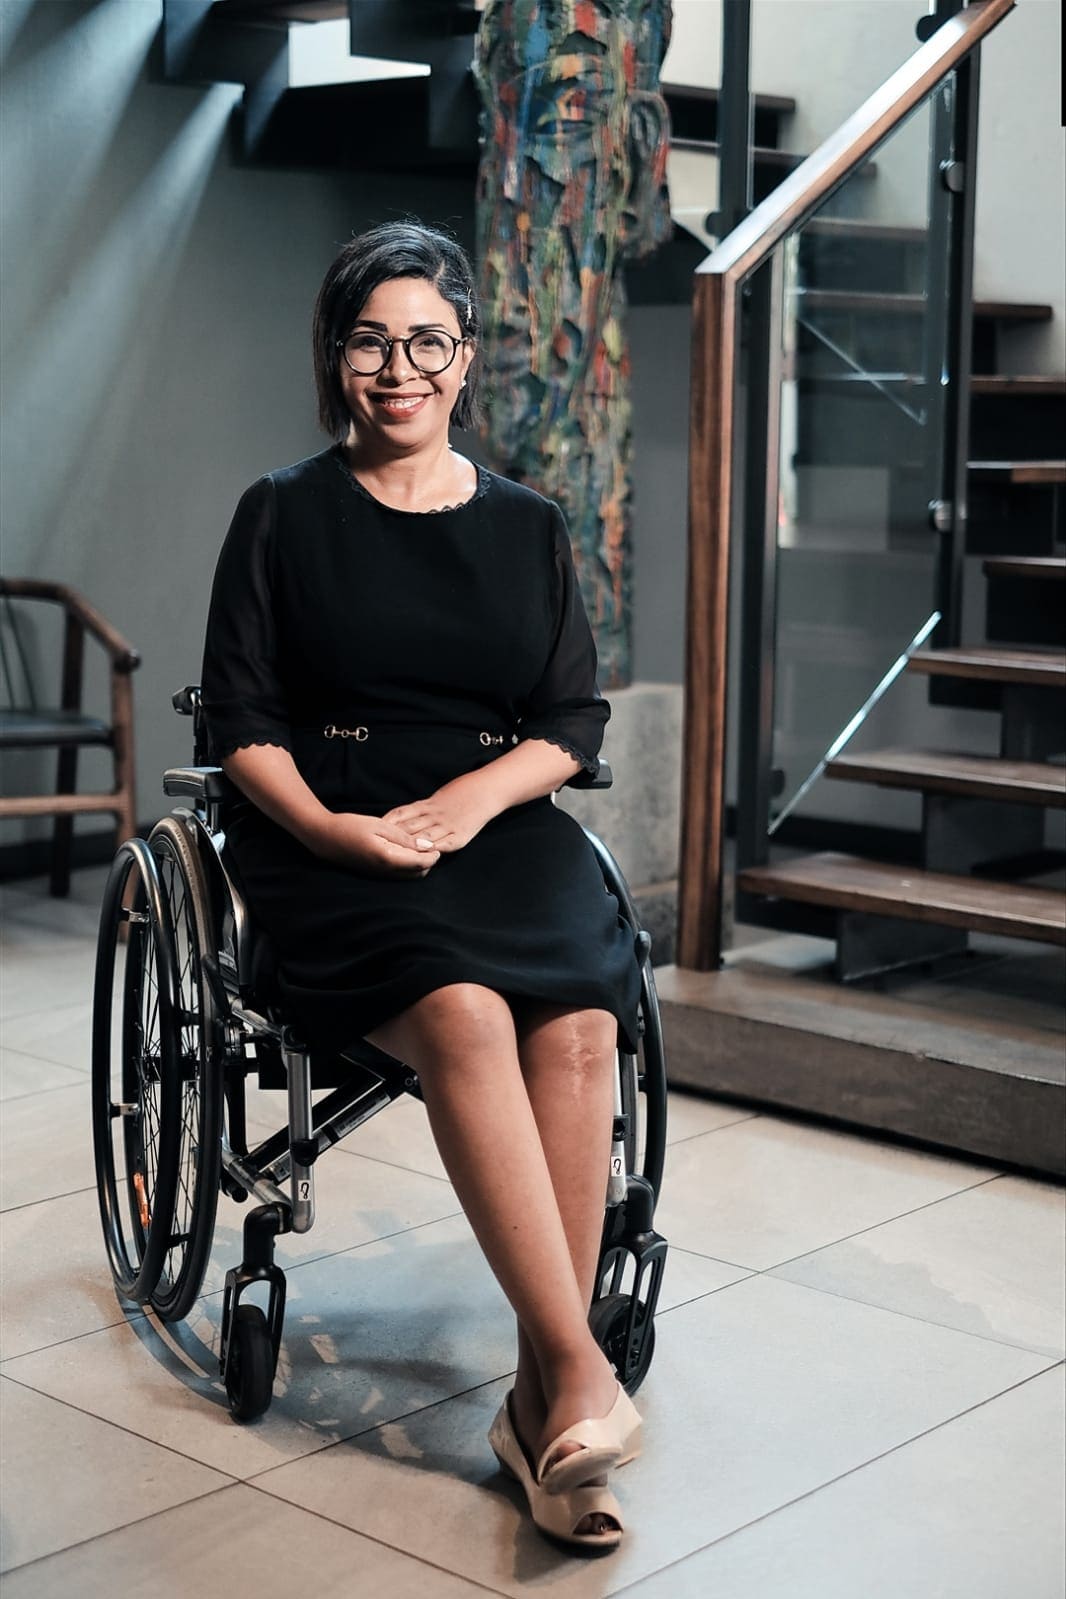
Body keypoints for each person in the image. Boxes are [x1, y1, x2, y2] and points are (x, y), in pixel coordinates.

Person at [201, 219, 643, 1551]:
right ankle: (572, 1374)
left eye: (426, 341)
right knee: (457, 1009)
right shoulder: (281, 512)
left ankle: (539, 1403)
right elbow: (238, 724)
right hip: (324, 831)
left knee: (574, 1021)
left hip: (494, 824)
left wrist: (469, 796)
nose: (399, 368)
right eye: (370, 342)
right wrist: (337, 834)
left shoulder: (527, 528)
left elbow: (568, 723)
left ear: (465, 357)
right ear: (337, 360)